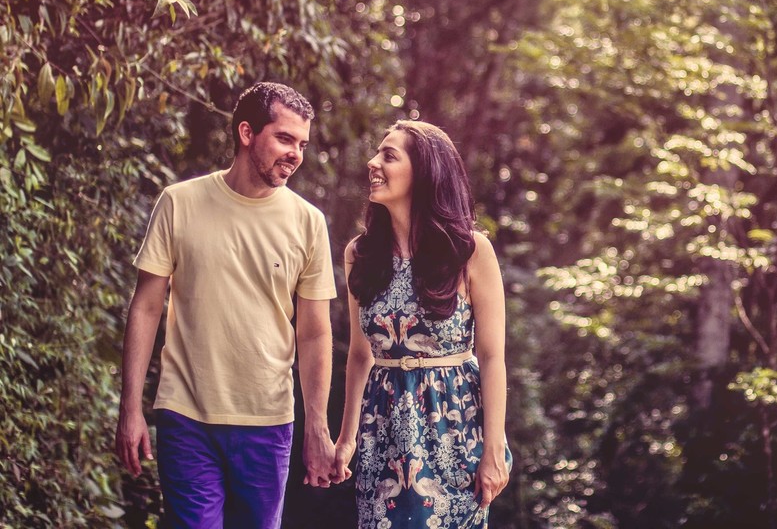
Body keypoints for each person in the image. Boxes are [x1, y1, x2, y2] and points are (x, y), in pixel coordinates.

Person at [115, 82, 341, 528]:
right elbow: (145, 308)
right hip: (186, 416)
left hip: (268, 420)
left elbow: (315, 332)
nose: (295, 153)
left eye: (302, 144)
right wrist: (131, 408)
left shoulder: (308, 222)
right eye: (284, 138)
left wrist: (317, 424)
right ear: (246, 132)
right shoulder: (180, 202)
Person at [332, 120, 510, 528]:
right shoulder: (359, 254)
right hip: (383, 432)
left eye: (389, 156)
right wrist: (346, 440)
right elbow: (360, 356)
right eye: (377, 153)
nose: (372, 163)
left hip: (454, 427)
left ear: (425, 172)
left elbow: (492, 355)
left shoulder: (470, 250)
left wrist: (494, 448)